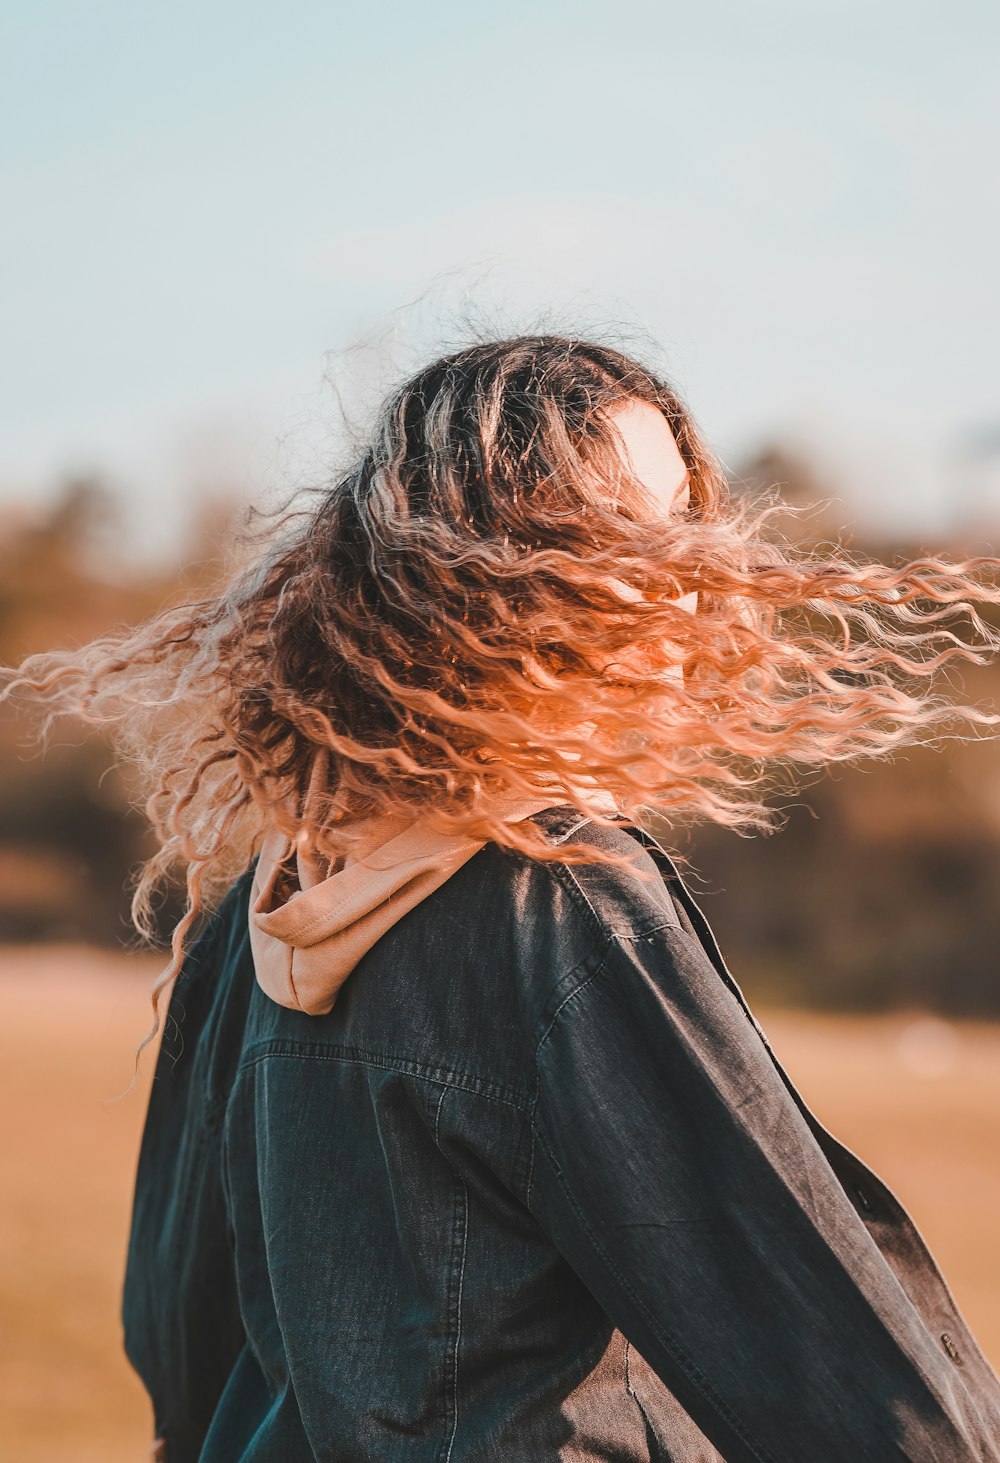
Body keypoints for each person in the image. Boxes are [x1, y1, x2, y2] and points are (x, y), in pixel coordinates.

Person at [4, 334, 1000, 1461]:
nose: (703, 563)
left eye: (692, 515)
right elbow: (843, 1368)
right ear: (510, 565)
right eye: (642, 524)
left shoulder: (257, 905)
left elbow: (176, 1346)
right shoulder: (555, 904)